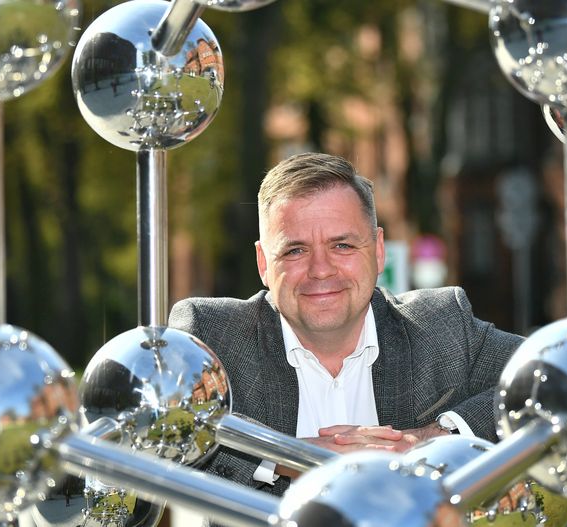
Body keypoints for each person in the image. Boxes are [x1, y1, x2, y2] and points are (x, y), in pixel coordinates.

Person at [168, 152, 522, 495]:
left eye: (342, 245)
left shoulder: (442, 326)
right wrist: (291, 455)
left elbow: (545, 380)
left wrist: (433, 439)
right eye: (295, 250)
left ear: (378, 250)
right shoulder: (213, 337)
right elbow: (169, 427)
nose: (321, 270)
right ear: (263, 262)